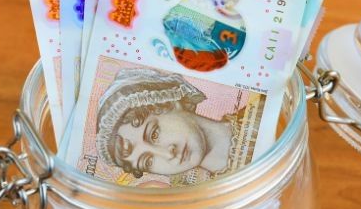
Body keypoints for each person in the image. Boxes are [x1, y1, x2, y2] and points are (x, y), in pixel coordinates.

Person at [95, 67, 252, 180]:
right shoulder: (209, 203)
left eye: (154, 134)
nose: (168, 154)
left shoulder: (258, 113)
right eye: (148, 162)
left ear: (171, 101)